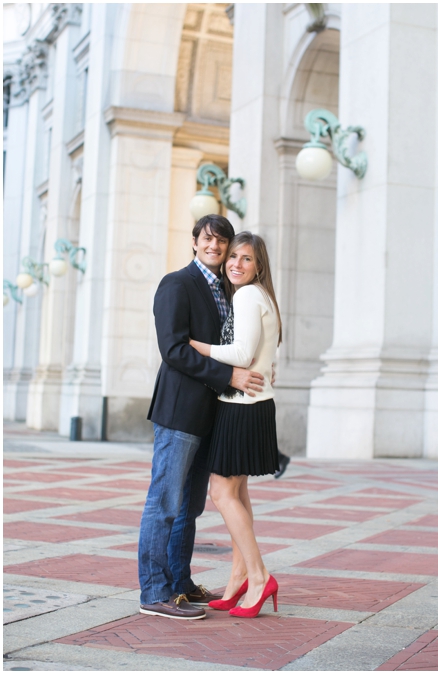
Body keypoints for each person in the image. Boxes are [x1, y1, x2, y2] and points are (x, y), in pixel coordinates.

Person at [139, 215, 265, 620]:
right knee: (165, 503)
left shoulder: (227, 290)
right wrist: (230, 375)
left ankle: (179, 583)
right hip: (179, 412)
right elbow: (174, 349)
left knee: (190, 507)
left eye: (222, 242)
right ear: (195, 242)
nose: (215, 247)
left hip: (210, 414)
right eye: (208, 239)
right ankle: (155, 592)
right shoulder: (176, 284)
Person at [188, 231, 282, 618]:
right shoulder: (263, 297)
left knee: (221, 493)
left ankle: (259, 576)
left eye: (246, 259)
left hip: (241, 405)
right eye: (234, 257)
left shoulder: (246, 295)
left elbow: (241, 353)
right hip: (255, 404)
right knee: (238, 493)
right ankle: (238, 578)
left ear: (259, 266)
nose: (236, 264)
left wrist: (197, 346)